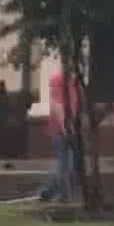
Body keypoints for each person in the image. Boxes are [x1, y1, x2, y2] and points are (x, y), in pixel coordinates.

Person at [40, 68, 81, 203]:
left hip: (71, 128)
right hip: (60, 129)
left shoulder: (75, 81)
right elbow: (56, 104)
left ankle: (49, 191)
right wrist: (65, 126)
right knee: (64, 163)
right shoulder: (58, 79)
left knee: (67, 164)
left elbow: (75, 106)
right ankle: (62, 196)